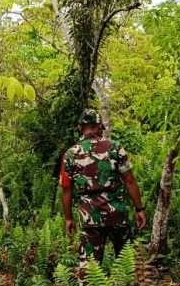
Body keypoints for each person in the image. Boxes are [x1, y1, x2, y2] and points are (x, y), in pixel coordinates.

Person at [60, 109, 147, 271]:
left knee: (89, 268)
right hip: (117, 214)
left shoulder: (70, 154)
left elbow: (66, 189)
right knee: (126, 262)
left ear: (80, 127)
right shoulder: (114, 148)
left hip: (89, 218)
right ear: (100, 127)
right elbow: (129, 180)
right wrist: (139, 208)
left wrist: (68, 219)